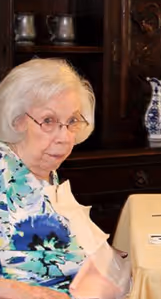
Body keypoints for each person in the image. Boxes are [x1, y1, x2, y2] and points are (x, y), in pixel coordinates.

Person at [0, 58, 129, 298]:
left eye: (71, 122)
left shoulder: (41, 170)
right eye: (48, 121)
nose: (65, 137)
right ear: (16, 120)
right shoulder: (3, 171)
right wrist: (33, 294)